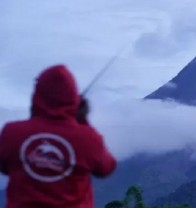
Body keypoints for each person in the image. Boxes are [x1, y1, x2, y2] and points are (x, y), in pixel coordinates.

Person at [0, 65, 117, 208]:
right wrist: (82, 121)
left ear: (37, 95)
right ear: (73, 98)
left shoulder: (11, 132)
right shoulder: (88, 138)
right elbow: (106, 168)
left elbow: (4, 167)